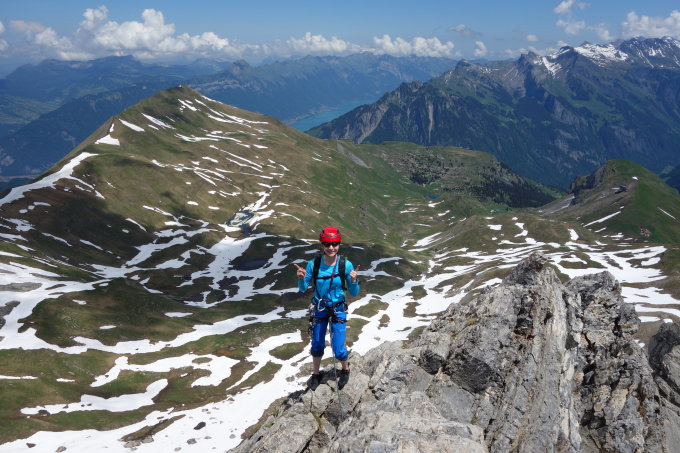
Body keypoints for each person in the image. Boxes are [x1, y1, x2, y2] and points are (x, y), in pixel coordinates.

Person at [294, 226, 360, 390]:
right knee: (317, 344)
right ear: (322, 245)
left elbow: (354, 292)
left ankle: (345, 369)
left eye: (334, 244)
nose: (331, 247)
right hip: (320, 308)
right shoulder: (314, 264)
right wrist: (301, 278)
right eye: (327, 244)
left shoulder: (345, 265)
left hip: (338, 308)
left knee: (338, 349)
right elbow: (303, 288)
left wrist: (353, 281)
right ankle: (316, 374)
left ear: (339, 244)